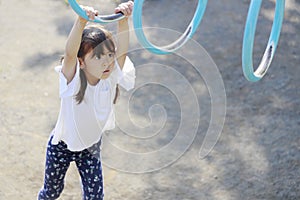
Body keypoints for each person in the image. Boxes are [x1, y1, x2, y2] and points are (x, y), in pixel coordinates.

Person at [38, 1, 135, 199]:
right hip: (61, 147)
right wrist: (81, 20)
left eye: (110, 54)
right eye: (99, 57)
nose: (108, 61)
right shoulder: (72, 81)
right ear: (81, 63)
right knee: (52, 192)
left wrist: (124, 21)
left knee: (95, 196)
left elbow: (123, 52)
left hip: (90, 148)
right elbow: (69, 53)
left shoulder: (110, 77)